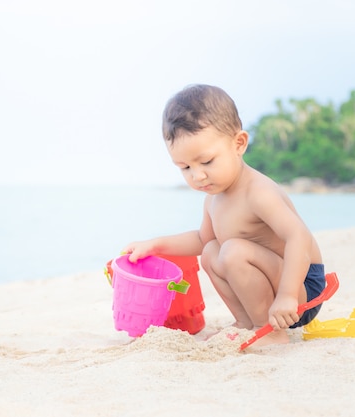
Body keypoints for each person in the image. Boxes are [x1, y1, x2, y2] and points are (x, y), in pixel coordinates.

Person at [123, 84, 325, 347]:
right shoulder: (213, 199)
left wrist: (288, 294)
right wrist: (155, 245)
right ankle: (247, 321)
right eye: (185, 167)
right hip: (275, 288)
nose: (197, 175)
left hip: (301, 289)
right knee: (211, 250)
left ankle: (270, 331)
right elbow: (201, 239)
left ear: (238, 143)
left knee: (233, 251)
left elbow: (298, 236)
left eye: (206, 162)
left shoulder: (258, 192)